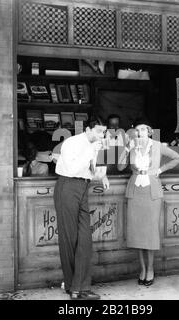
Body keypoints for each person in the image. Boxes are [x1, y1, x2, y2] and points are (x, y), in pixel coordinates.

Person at [118, 118, 179, 286]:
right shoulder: (131, 146)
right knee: (137, 232)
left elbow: (177, 158)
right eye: (138, 130)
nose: (140, 133)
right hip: (135, 192)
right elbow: (119, 167)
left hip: (151, 192)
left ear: (149, 131)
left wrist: (160, 170)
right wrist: (126, 148)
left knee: (150, 232)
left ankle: (151, 269)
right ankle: (142, 269)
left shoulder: (157, 146)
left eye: (144, 130)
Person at [53, 116, 110, 300]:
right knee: (69, 239)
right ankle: (74, 288)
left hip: (83, 188)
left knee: (85, 239)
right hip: (67, 186)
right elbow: (72, 168)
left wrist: (103, 174)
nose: (102, 135)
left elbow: (90, 171)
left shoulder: (93, 147)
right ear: (87, 129)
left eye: (104, 131)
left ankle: (79, 287)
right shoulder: (72, 142)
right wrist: (92, 150)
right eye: (99, 131)